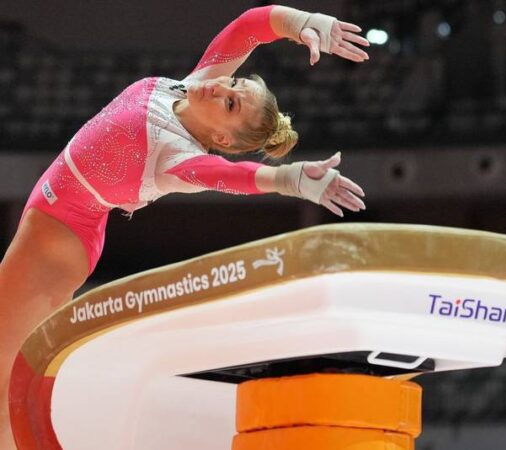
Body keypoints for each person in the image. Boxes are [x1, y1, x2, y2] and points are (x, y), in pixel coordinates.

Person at [0, 5, 370, 446]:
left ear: (223, 141)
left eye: (230, 103)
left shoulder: (175, 161)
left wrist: (290, 179)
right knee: (14, 387)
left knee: (7, 390)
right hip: (58, 220)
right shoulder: (192, 86)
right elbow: (249, 26)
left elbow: (235, 178)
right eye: (235, 83)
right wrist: (306, 24)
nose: (221, 87)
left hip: (57, 239)